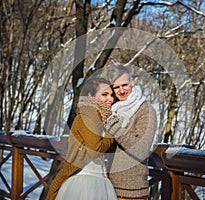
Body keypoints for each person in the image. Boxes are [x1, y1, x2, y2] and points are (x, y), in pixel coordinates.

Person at [46, 78, 117, 200]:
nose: (110, 99)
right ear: (90, 95)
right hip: (85, 181)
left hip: (97, 177)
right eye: (104, 94)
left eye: (111, 95)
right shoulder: (89, 114)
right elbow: (95, 149)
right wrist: (112, 130)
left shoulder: (100, 116)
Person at [104, 65, 157, 200]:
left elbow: (141, 149)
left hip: (132, 193)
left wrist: (113, 126)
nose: (121, 90)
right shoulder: (113, 109)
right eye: (116, 87)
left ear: (132, 82)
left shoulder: (146, 110)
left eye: (125, 85)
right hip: (107, 187)